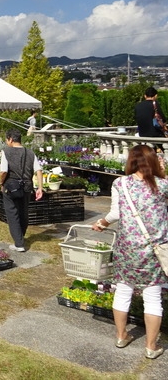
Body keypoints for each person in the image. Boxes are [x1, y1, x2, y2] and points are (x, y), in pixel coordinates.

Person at [92, 144, 168, 359]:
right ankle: (151, 347)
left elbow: (115, 213)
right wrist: (162, 171)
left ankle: (121, 336)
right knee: (153, 297)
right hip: (155, 250)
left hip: (127, 248)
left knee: (123, 291)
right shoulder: (162, 185)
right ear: (153, 160)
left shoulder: (120, 183)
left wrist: (101, 223)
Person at [0, 128, 43, 252]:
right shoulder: (30, 152)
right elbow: (38, 170)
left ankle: (19, 244)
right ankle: (20, 238)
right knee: (23, 212)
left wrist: (0, 182)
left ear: (11, 139)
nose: (6, 142)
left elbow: (4, 171)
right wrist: (40, 188)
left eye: (7, 140)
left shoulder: (6, 151)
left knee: (12, 213)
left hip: (11, 187)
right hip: (27, 187)